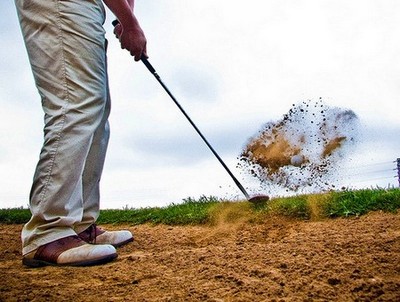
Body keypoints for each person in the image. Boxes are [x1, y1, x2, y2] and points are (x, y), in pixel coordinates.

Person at [14, 0, 147, 267]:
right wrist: (130, 23)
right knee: (75, 103)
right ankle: (48, 229)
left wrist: (126, 17)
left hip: (84, 6)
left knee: (95, 110)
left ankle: (79, 224)